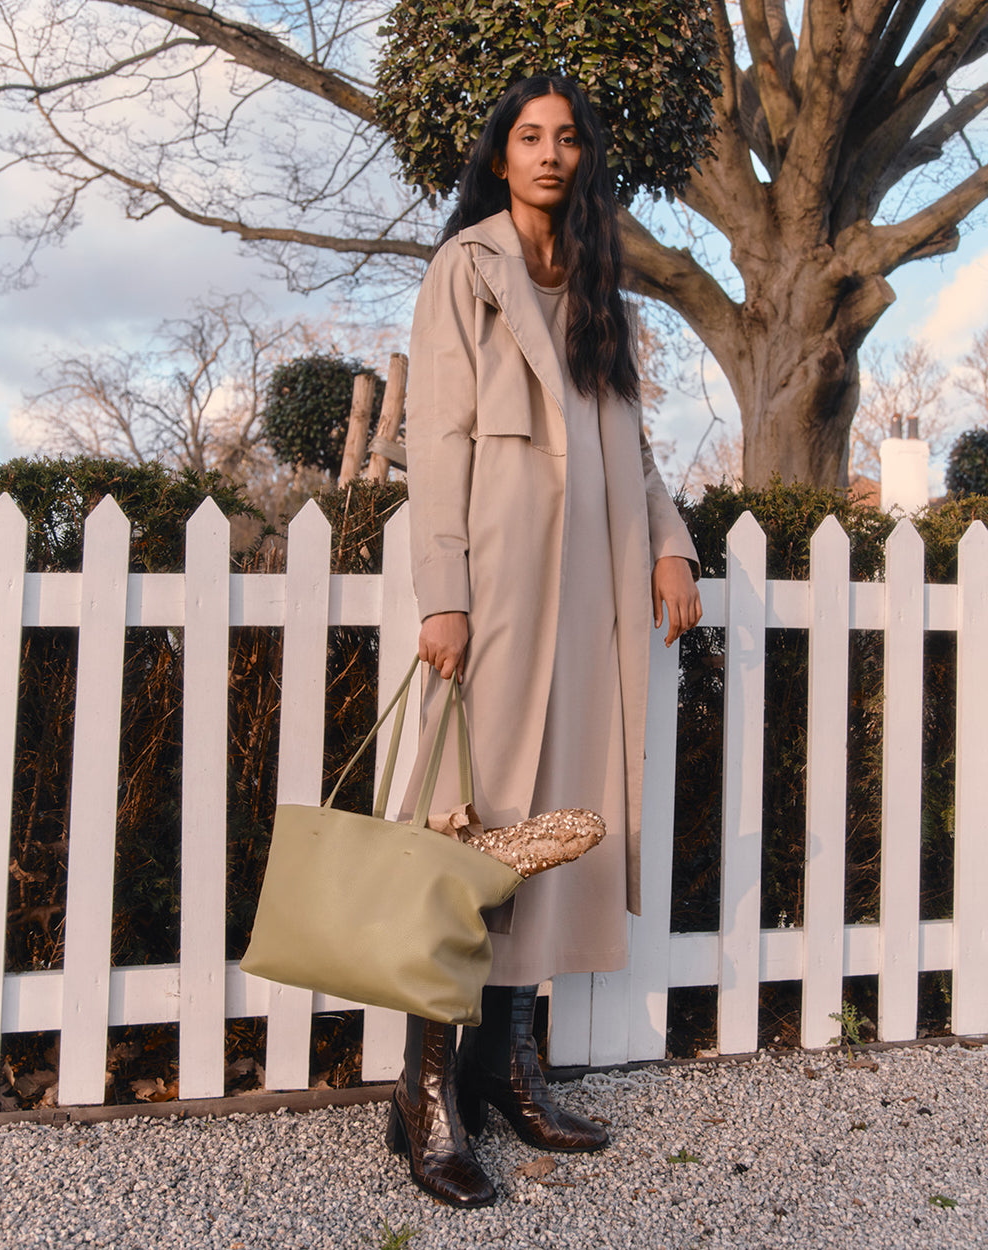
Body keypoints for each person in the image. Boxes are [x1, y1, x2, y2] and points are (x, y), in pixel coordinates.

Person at [386, 74, 702, 1208]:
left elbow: (636, 443)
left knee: (555, 819)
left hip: (594, 592)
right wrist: (445, 594)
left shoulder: (601, 283)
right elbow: (438, 441)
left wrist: (669, 541)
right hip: (501, 585)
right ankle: (423, 1093)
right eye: (529, 136)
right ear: (499, 154)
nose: (550, 153)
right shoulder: (464, 270)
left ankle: (508, 1063)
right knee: (468, 827)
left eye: (568, 137)